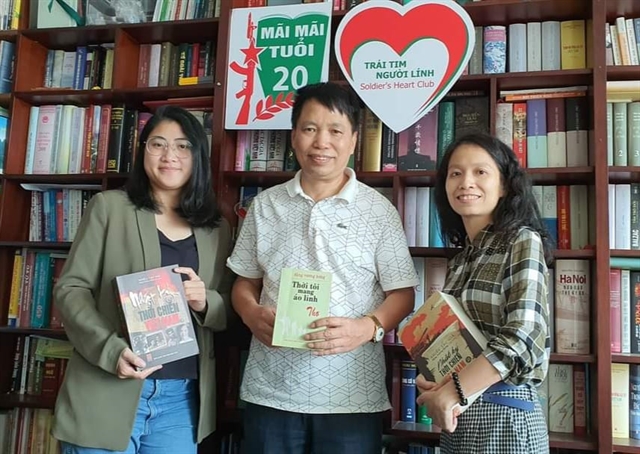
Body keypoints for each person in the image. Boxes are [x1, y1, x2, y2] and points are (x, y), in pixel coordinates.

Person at [227, 82, 418, 454]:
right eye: (310, 129)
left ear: (354, 140)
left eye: (335, 131)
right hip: (272, 391)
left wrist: (367, 327)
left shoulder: (379, 211)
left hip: (351, 395)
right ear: (294, 136)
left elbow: (402, 294)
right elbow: (244, 282)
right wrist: (250, 313)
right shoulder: (265, 205)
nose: (321, 142)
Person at [51, 105, 233, 454]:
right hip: (106, 389)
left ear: (198, 156)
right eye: (158, 144)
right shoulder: (108, 208)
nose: (169, 156)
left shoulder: (217, 227)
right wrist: (110, 350)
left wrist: (205, 301)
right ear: (142, 151)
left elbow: (228, 305)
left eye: (183, 146)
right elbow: (71, 289)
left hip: (180, 400)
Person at [418, 133, 552, 452]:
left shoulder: (522, 240)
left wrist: (453, 390)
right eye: (455, 173)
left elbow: (524, 336)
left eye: (480, 172)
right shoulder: (462, 259)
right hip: (460, 416)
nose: (466, 182)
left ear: (504, 185)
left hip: (505, 417)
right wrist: (435, 378)